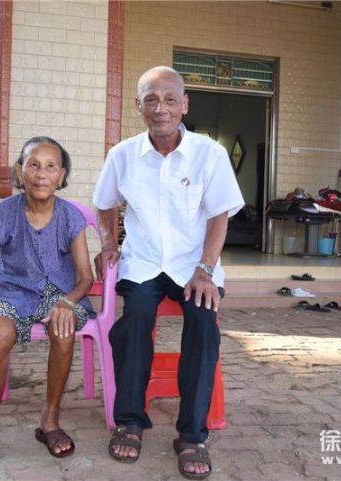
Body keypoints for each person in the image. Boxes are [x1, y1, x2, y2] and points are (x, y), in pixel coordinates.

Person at [93, 66, 244, 479]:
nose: (161, 108)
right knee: (135, 318)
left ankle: (192, 435)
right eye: (151, 100)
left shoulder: (209, 154)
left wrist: (205, 269)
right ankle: (129, 420)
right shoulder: (122, 155)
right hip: (143, 262)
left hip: (195, 265)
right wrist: (109, 243)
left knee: (202, 321)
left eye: (170, 99)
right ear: (138, 106)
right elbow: (104, 203)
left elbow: (219, 216)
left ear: (185, 105)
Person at [0, 136, 94, 465]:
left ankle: (50, 421)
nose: (42, 174)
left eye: (51, 166)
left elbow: (86, 278)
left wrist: (68, 302)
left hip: (58, 295)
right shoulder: (6, 213)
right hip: (12, 293)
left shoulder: (70, 217)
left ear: (62, 174)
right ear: (20, 171)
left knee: (63, 329)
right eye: (33, 165)